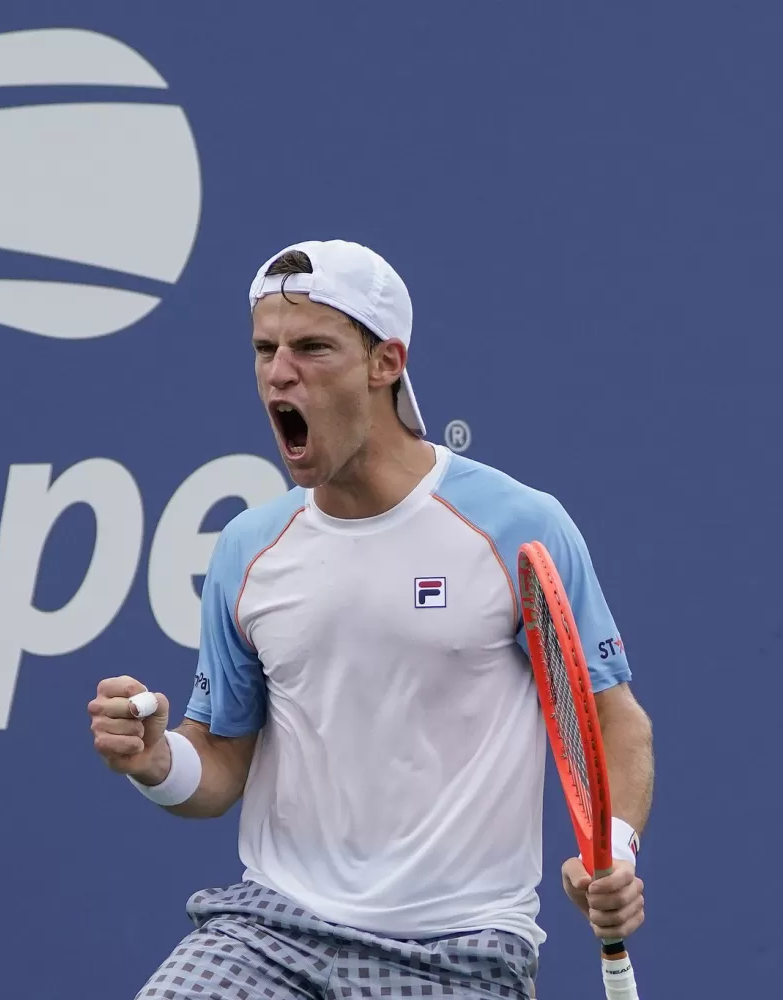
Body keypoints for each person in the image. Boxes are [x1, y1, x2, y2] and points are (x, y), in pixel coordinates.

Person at [88, 240, 654, 999]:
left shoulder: (520, 526)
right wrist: (158, 763)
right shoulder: (247, 549)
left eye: (312, 347)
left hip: (460, 950)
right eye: (265, 349)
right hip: (270, 931)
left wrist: (610, 848)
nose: (278, 372)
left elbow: (615, 722)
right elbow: (220, 762)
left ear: (386, 362)